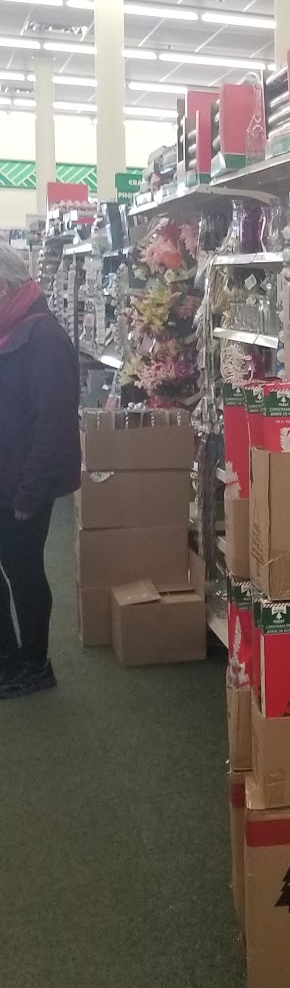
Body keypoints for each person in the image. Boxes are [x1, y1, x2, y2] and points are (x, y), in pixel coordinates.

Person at [0, 241, 81, 696]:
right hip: (7, 473)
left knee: (24, 570)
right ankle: (8, 661)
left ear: (6, 286)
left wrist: (29, 495)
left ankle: (34, 664)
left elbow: (53, 426)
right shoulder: (8, 328)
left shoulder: (43, 338)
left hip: (23, 482)